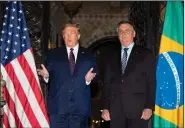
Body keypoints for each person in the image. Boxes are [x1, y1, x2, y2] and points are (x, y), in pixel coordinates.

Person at [37, 23, 97, 128]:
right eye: (66, 34)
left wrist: (88, 80)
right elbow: (46, 74)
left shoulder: (89, 54)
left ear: (78, 36)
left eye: (72, 33)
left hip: (80, 109)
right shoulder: (53, 54)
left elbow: (97, 77)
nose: (69, 36)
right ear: (63, 37)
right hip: (58, 108)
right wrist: (46, 76)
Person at [101, 21, 156, 128]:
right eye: (120, 31)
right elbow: (106, 83)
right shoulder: (110, 57)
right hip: (115, 110)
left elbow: (151, 82)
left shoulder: (146, 54)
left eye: (127, 30)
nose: (123, 33)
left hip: (138, 110)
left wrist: (149, 106)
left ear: (133, 34)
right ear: (118, 35)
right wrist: (105, 107)